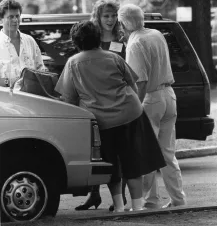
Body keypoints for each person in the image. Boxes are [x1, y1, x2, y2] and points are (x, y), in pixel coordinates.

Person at [55, 21, 165, 212]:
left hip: (102, 122)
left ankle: (120, 206)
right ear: (98, 37)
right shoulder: (113, 57)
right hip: (131, 113)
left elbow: (68, 98)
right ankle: (137, 206)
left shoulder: (73, 63)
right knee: (133, 161)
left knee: (111, 165)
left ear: (76, 42)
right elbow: (133, 83)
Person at [118, 4, 186, 209]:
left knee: (146, 151)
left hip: (151, 99)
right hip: (169, 95)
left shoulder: (134, 44)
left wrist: (134, 108)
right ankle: (178, 199)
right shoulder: (156, 34)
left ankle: (150, 200)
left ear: (124, 23)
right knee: (168, 153)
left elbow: (140, 82)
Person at [75, 0, 126, 211]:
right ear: (98, 16)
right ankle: (94, 195)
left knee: (117, 153)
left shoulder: (122, 39)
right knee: (95, 152)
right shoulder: (91, 38)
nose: (111, 19)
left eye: (114, 15)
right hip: (93, 102)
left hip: (116, 102)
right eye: (106, 15)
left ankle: (119, 199)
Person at [0, 0, 45, 88]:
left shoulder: (30, 41)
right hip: (5, 99)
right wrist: (10, 82)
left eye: (17, 16)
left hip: (32, 98)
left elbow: (41, 70)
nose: (15, 20)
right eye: (10, 17)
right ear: (1, 20)